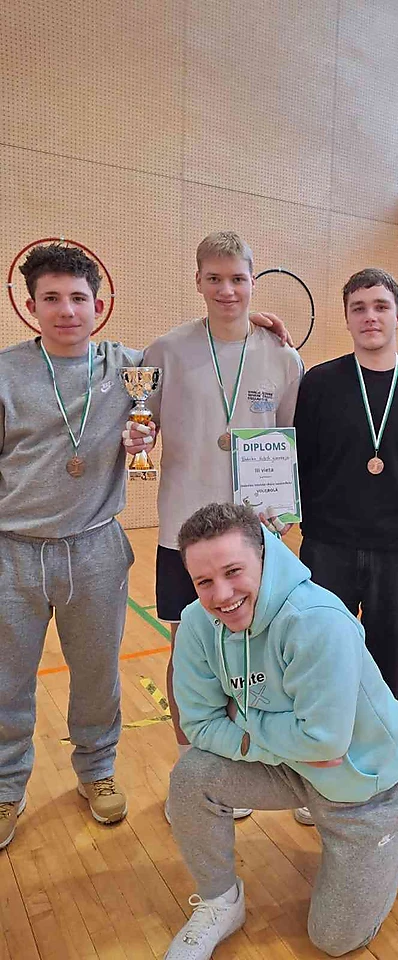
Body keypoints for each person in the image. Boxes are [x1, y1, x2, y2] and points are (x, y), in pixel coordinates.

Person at [164, 502, 398, 960]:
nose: (221, 595)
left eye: (233, 571)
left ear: (264, 557)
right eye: (204, 581)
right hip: (295, 766)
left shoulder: (315, 620)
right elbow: (198, 724)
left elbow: (326, 743)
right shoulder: (196, 622)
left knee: (334, 939)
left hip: (361, 784)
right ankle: (220, 903)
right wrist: (284, 740)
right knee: (190, 779)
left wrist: (240, 722)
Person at [125, 232, 303, 820]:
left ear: (254, 281)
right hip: (183, 534)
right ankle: (193, 772)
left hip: (255, 539)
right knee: (190, 653)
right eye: (215, 279)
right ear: (198, 281)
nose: (227, 290)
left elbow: (290, 444)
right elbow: (141, 421)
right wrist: (139, 439)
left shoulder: (282, 356)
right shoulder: (165, 351)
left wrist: (283, 517)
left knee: (258, 654)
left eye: (238, 279)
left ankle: (247, 768)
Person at [0, 243, 149, 847]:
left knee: (96, 674)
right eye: (52, 299)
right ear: (30, 306)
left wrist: (257, 325)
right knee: (7, 680)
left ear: (99, 305)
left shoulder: (129, 366)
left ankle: (97, 769)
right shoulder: (6, 373)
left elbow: (204, 353)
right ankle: (6, 787)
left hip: (95, 548)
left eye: (78, 298)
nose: (66, 310)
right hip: (13, 551)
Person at [294, 267, 398, 709]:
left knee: (390, 666)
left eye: (381, 306)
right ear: (346, 318)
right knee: (325, 659)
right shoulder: (319, 384)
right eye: (358, 308)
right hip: (328, 548)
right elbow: (303, 459)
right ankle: (325, 744)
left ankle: (389, 747)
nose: (370, 316)